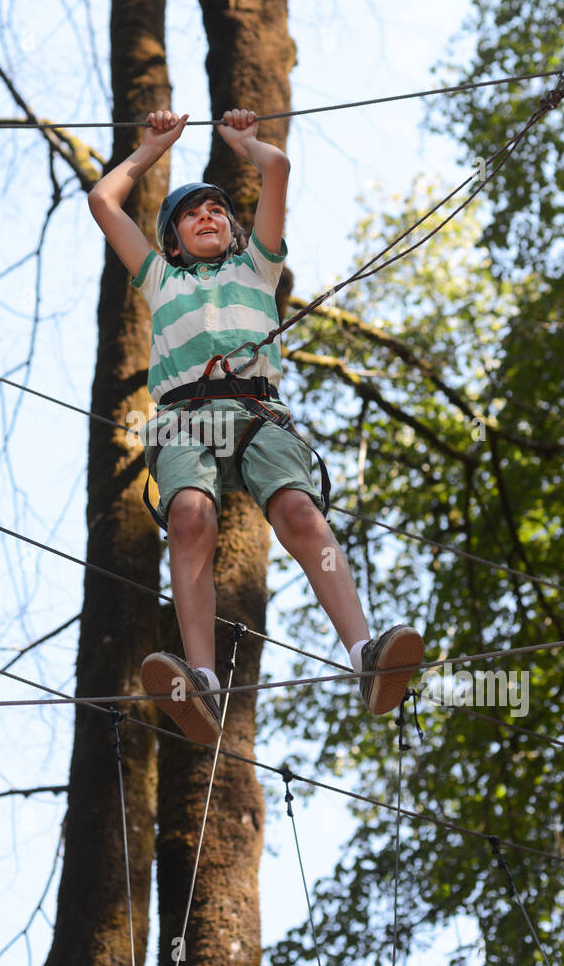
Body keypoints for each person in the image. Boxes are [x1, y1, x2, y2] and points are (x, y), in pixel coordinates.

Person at [87, 107, 424, 744]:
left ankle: (365, 655)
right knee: (189, 515)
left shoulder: (256, 269)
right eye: (191, 215)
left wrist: (242, 142)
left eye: (217, 210)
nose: (208, 217)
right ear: (174, 242)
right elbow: (105, 200)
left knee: (301, 514)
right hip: (187, 416)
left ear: (235, 230)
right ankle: (203, 680)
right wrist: (151, 150)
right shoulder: (160, 280)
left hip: (259, 411)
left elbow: (279, 168)